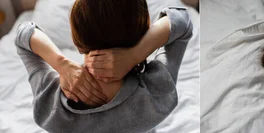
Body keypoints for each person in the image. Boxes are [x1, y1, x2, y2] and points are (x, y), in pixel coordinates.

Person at [14, 0, 193, 132]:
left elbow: (23, 34)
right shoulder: (156, 94)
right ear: (141, 28)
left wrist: (62, 64)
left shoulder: (50, 103)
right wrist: (135, 54)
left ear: (77, 35)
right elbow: (182, 20)